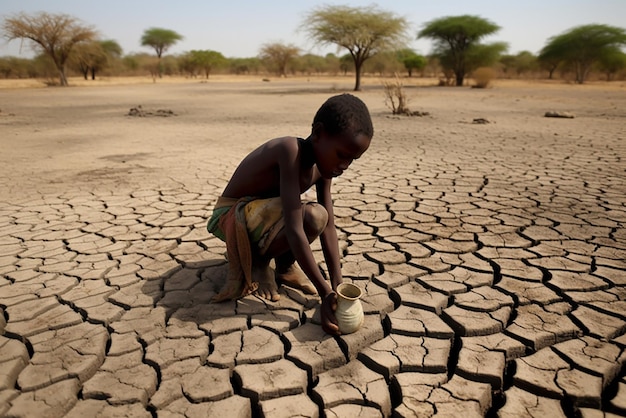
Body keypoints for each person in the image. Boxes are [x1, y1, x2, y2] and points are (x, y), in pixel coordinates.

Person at [207, 93, 373, 335]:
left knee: (319, 216)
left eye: (352, 160)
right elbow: (295, 228)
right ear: (318, 133)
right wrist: (325, 292)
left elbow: (328, 227)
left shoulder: (323, 168)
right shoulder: (290, 151)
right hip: (233, 215)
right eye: (341, 155)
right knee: (311, 216)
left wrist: (337, 283)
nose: (344, 166)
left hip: (263, 215)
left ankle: (284, 267)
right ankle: (260, 263)